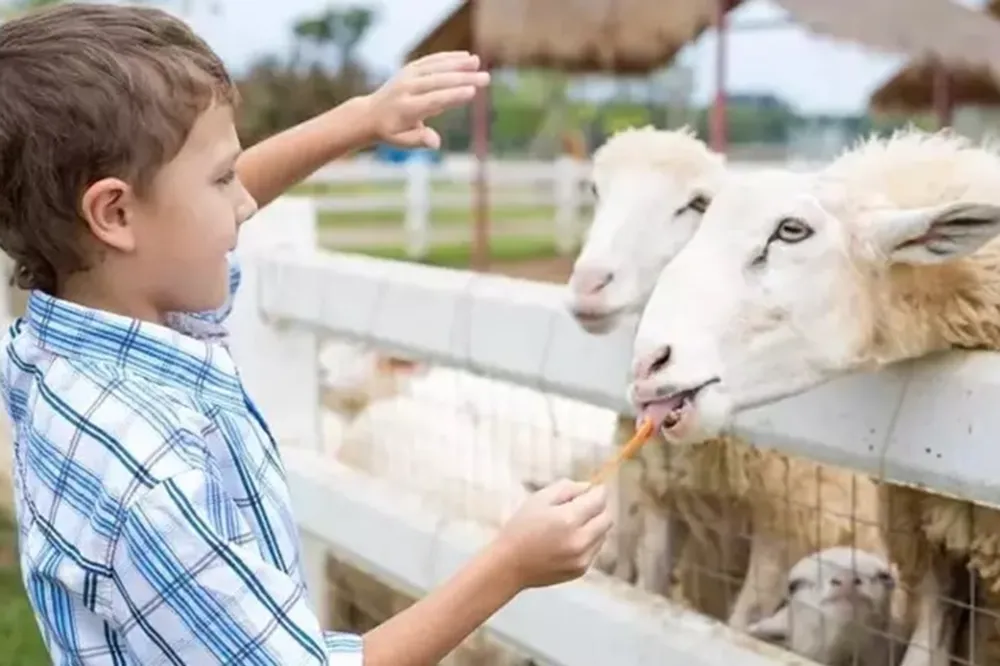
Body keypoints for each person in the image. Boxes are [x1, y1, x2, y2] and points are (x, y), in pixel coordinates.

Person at [0, 4, 613, 666]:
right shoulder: (155, 477)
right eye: (223, 178)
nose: (245, 203)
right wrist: (511, 564)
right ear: (114, 213)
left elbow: (172, 214)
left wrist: (359, 120)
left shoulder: (57, 350)